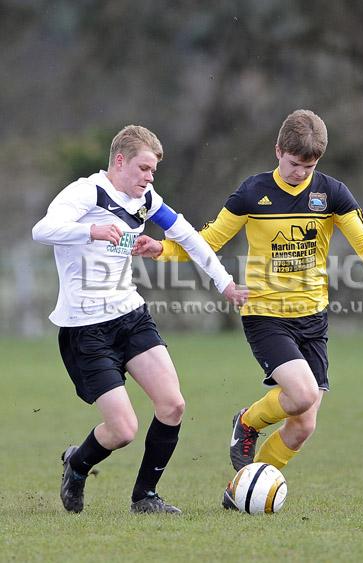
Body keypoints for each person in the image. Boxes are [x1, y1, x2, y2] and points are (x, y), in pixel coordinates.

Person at [131, 110, 363, 510]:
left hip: (312, 319)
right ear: (278, 151)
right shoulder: (252, 192)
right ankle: (247, 422)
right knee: (301, 393)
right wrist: (164, 249)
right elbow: (209, 239)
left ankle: (240, 490)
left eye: (309, 166)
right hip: (265, 315)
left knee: (303, 424)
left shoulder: (331, 193)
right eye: (294, 164)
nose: (300, 173)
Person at [32, 124, 248, 515]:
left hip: (130, 316)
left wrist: (226, 284)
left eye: (153, 171)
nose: (149, 178)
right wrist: (91, 231)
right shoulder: (87, 192)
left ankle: (144, 497)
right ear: (120, 161)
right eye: (144, 168)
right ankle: (77, 464)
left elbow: (189, 238)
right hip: (85, 329)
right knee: (123, 430)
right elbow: (42, 230)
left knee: (172, 405)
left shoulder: (145, 198)